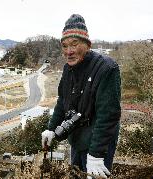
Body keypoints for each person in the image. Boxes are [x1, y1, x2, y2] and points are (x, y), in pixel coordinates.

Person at [41, 14, 121, 178]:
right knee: (75, 175)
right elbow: (62, 101)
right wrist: (51, 128)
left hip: (99, 142)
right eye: (64, 46)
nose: (68, 51)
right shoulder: (67, 69)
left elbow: (108, 115)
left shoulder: (106, 68)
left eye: (74, 44)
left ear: (87, 45)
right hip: (77, 138)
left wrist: (96, 154)